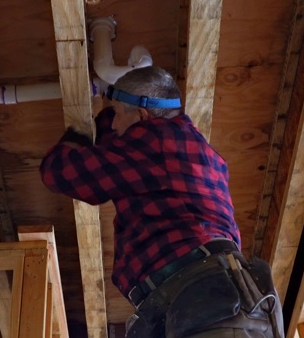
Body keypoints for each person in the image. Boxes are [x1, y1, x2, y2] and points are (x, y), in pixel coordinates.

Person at [40, 66, 283, 337]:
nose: (113, 125)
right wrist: (117, 107)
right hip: (208, 297)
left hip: (202, 295)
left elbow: (61, 172)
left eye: (118, 116)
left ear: (142, 116)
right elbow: (122, 143)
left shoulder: (156, 141)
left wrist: (76, 136)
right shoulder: (184, 146)